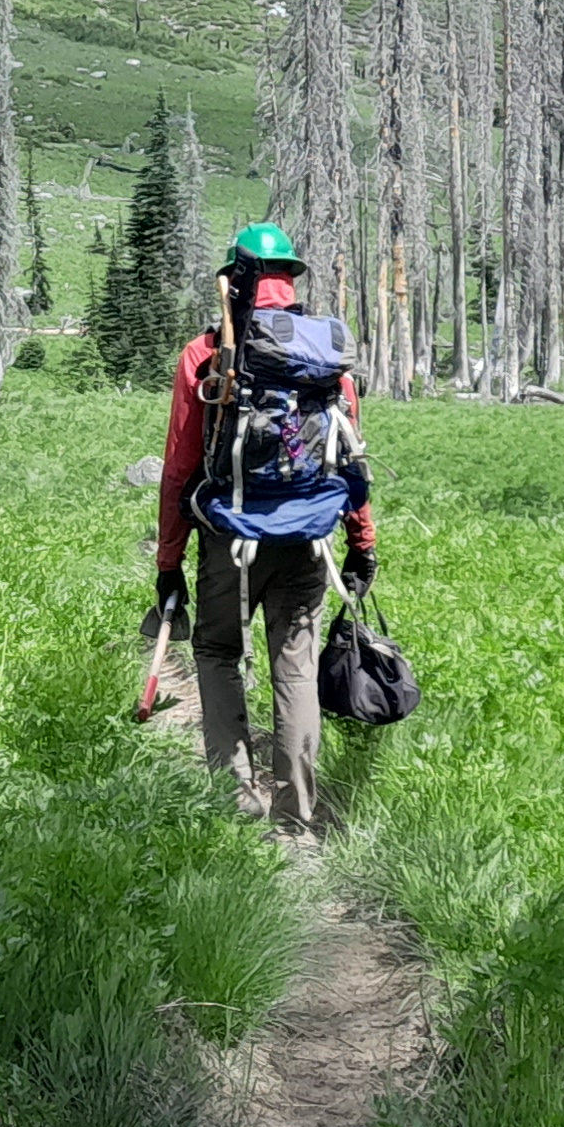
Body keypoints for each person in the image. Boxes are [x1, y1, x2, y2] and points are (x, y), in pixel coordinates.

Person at [150, 222, 373, 839]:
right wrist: (363, 543)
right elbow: (351, 458)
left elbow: (180, 467)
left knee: (219, 650)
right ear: (289, 280)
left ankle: (234, 796)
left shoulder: (206, 354)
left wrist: (169, 560)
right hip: (309, 537)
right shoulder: (327, 355)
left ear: (234, 278)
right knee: (293, 663)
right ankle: (298, 808)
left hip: (231, 534)